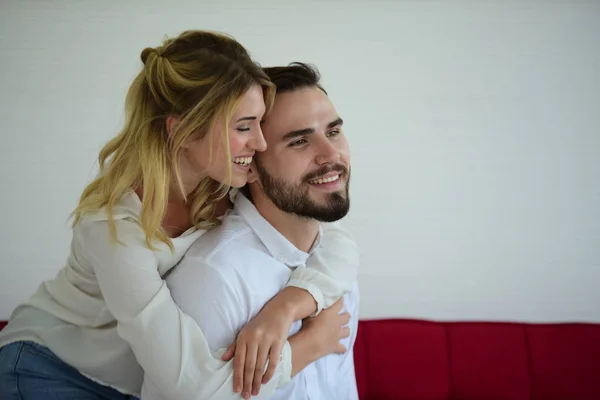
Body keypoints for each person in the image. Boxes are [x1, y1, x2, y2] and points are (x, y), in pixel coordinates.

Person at [0, 30, 359, 400]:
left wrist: (290, 304)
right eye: (243, 127)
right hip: (49, 367)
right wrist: (312, 342)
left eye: (258, 122)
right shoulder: (115, 231)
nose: (260, 142)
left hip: (138, 377)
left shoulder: (221, 181)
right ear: (184, 131)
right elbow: (196, 389)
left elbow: (330, 239)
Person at [143, 62, 359, 400]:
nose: (331, 154)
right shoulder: (214, 278)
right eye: (300, 141)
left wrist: (288, 307)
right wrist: (309, 345)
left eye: (333, 132)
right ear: (250, 166)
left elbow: (340, 384)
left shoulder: (331, 258)